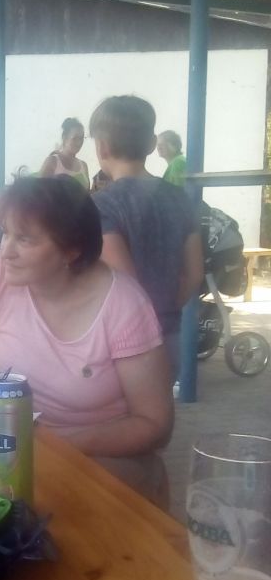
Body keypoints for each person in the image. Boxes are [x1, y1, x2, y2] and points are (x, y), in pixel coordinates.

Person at [0, 177, 173, 470]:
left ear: (71, 250)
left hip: (95, 459)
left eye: (24, 239)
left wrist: (49, 443)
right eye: (5, 233)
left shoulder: (124, 305)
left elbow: (154, 425)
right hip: (7, 439)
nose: (6, 251)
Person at [89, 97, 203, 376]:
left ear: (102, 147)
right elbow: (195, 273)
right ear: (152, 144)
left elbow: (124, 281)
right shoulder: (180, 198)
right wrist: (165, 309)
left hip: (122, 341)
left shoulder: (102, 205)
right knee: (160, 403)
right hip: (169, 333)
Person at [40, 117, 90, 188]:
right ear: (64, 138)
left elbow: (87, 193)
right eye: (75, 138)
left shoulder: (84, 166)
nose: (79, 142)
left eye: (81, 138)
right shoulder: (52, 162)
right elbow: (39, 191)